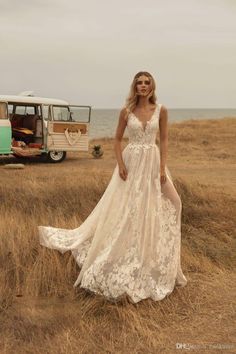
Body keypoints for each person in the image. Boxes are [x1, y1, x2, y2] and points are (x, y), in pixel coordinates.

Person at [38, 71, 187, 304]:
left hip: (152, 162)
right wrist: (119, 164)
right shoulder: (126, 111)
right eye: (139, 83)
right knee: (129, 209)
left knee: (175, 202)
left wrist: (162, 169)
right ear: (135, 87)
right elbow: (117, 140)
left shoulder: (161, 110)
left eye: (147, 82)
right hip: (131, 163)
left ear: (152, 86)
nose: (143, 86)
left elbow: (165, 139)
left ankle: (161, 259)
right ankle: (126, 252)